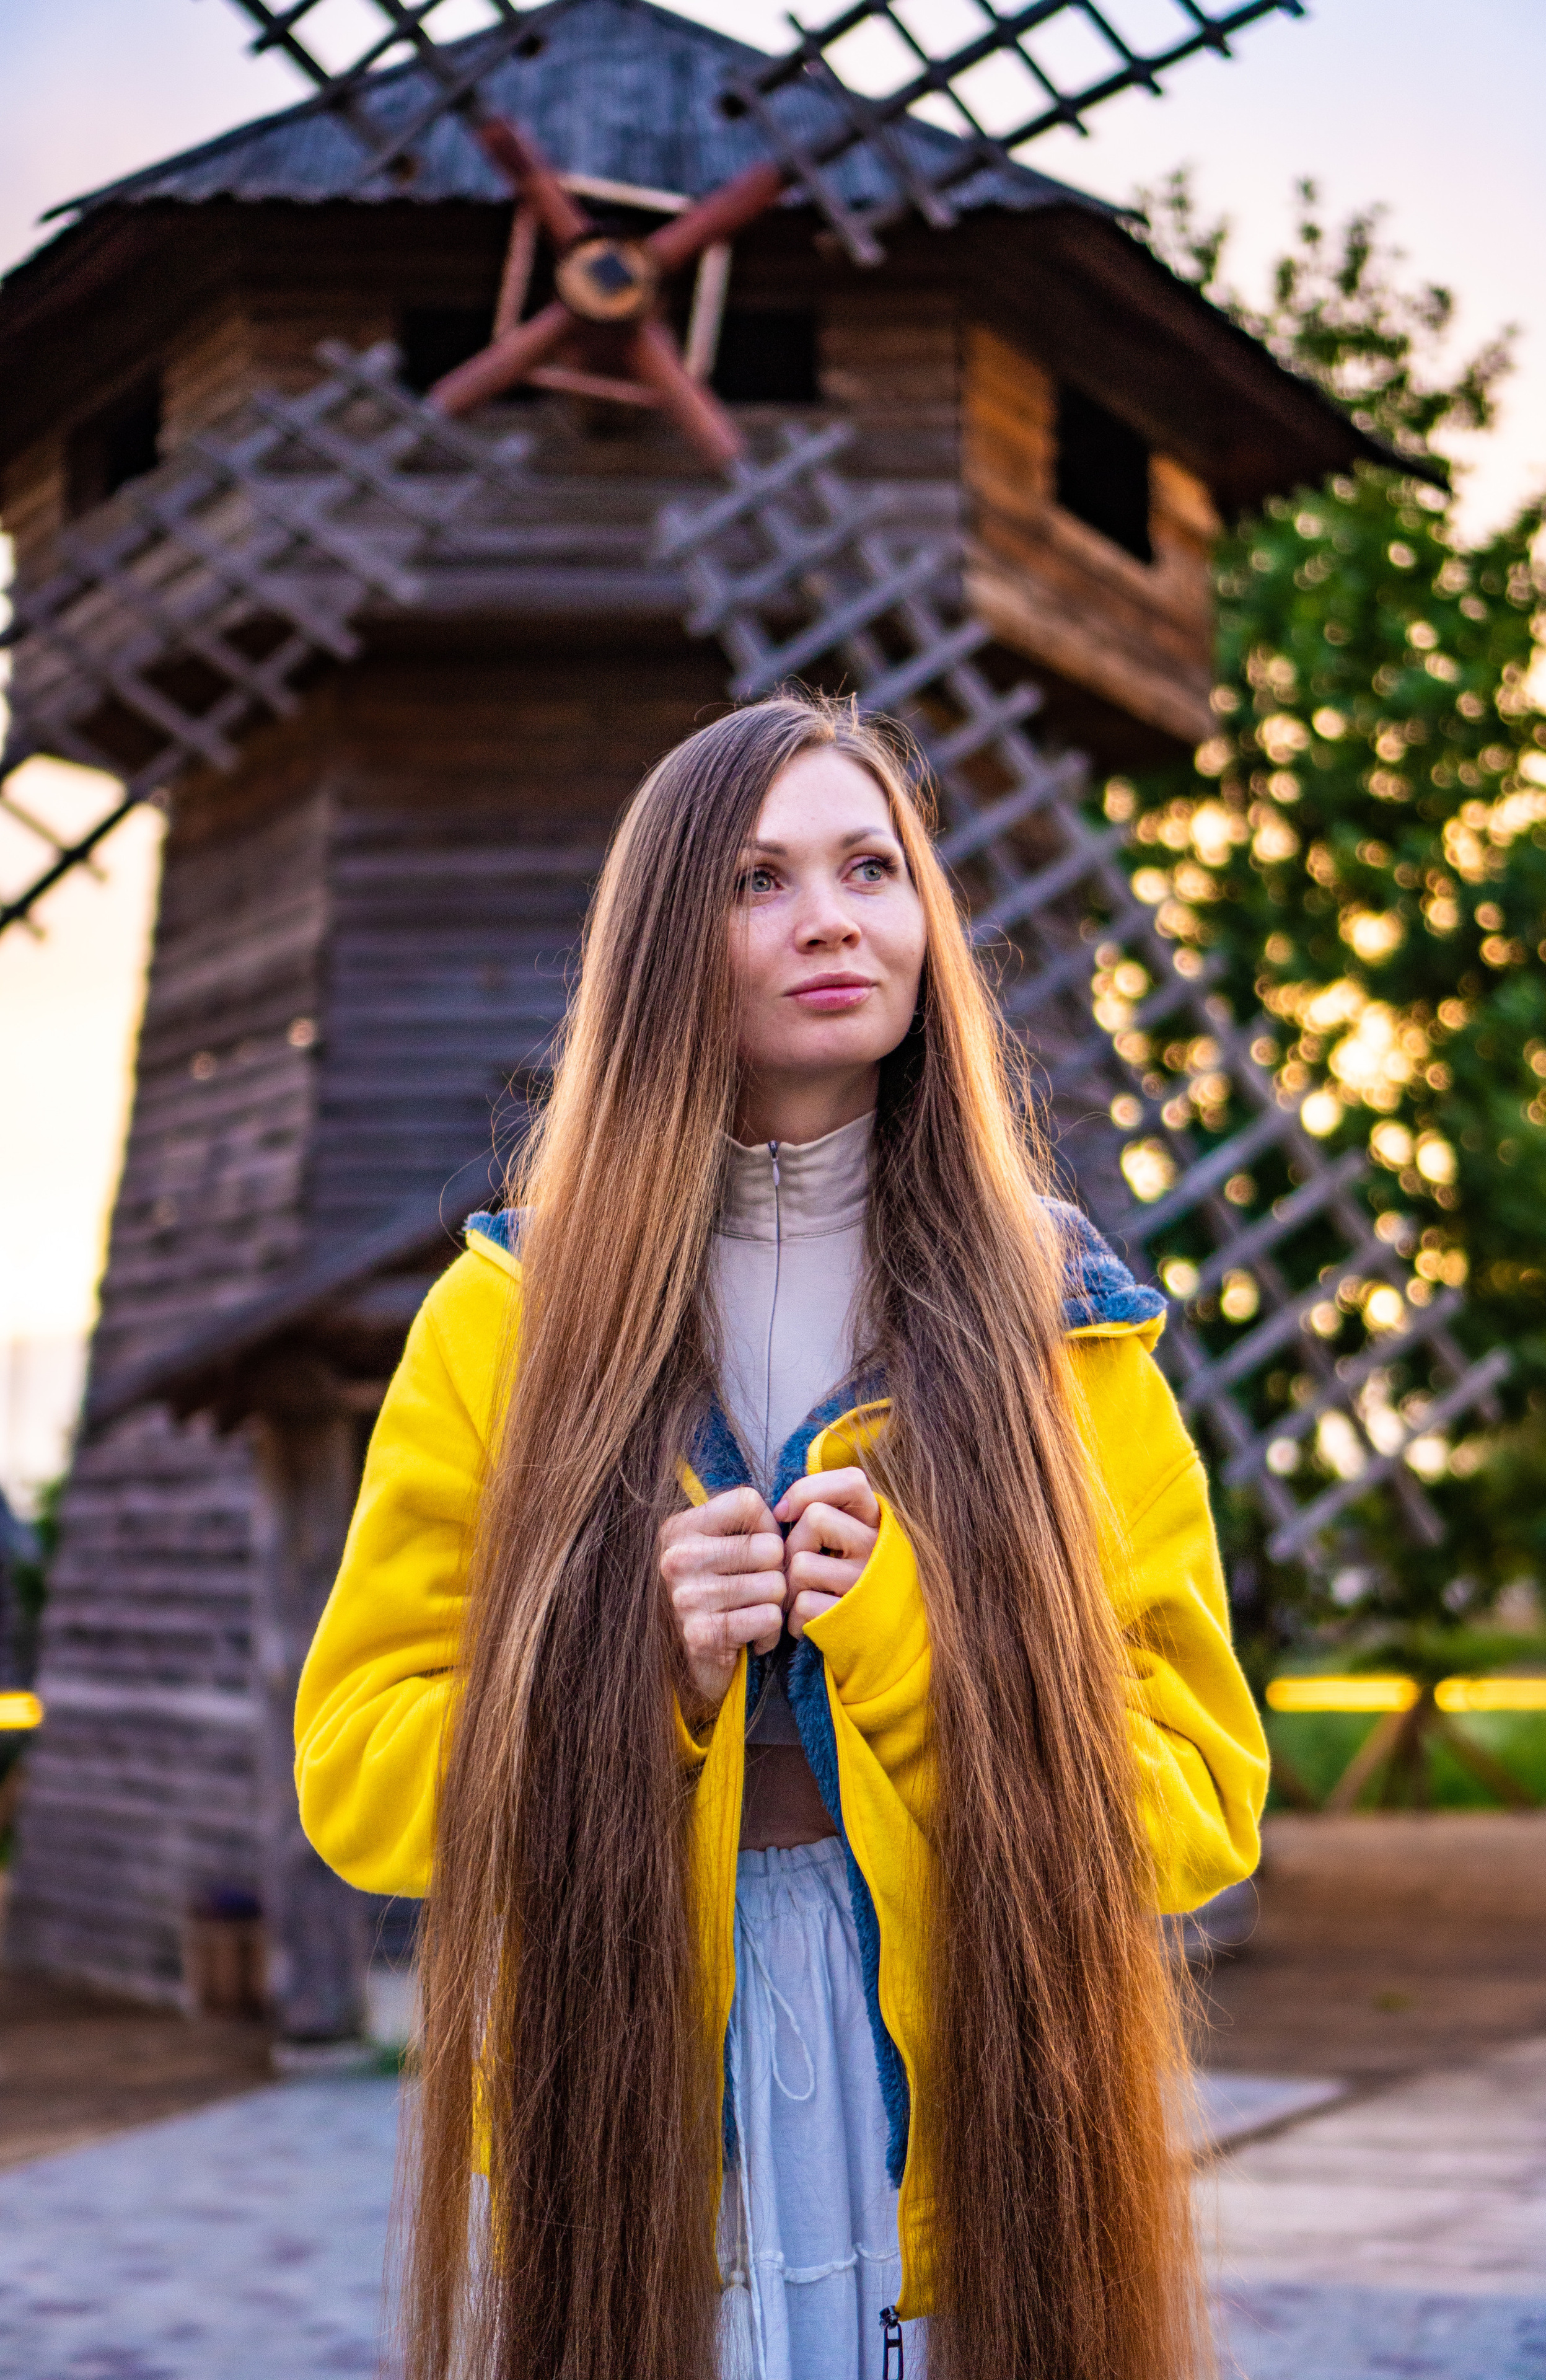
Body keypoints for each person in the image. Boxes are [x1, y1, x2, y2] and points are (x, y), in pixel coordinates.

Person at [294, 694, 1268, 2380]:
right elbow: (359, 1778)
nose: (832, 914)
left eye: (872, 866)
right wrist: (632, 1674)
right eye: (759, 878)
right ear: (669, 940)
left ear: (925, 921)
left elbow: (1201, 1804)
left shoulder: (1066, 1328)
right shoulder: (504, 1319)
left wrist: (910, 1648)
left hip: (985, 2107)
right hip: (633, 2107)